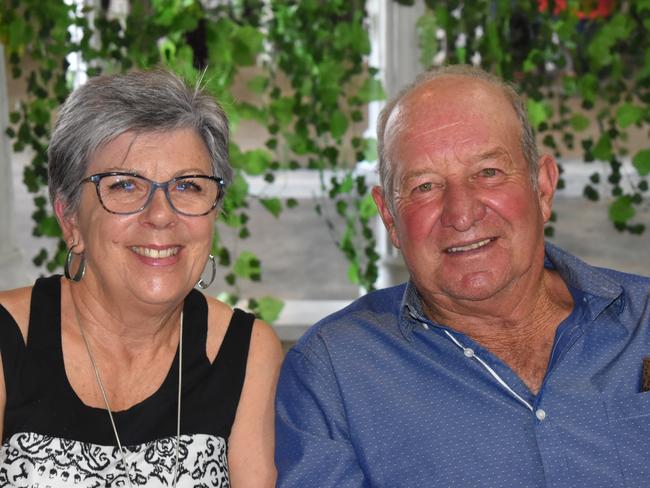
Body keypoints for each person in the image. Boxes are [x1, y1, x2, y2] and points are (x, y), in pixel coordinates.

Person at [275, 65, 650, 487]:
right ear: (389, 218)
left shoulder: (643, 323)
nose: (462, 212)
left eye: (488, 172)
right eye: (425, 187)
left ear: (542, 188)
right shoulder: (334, 374)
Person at [0, 69, 282, 487]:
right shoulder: (8, 339)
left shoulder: (247, 352)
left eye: (187, 185)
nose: (161, 215)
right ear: (70, 219)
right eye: (125, 186)